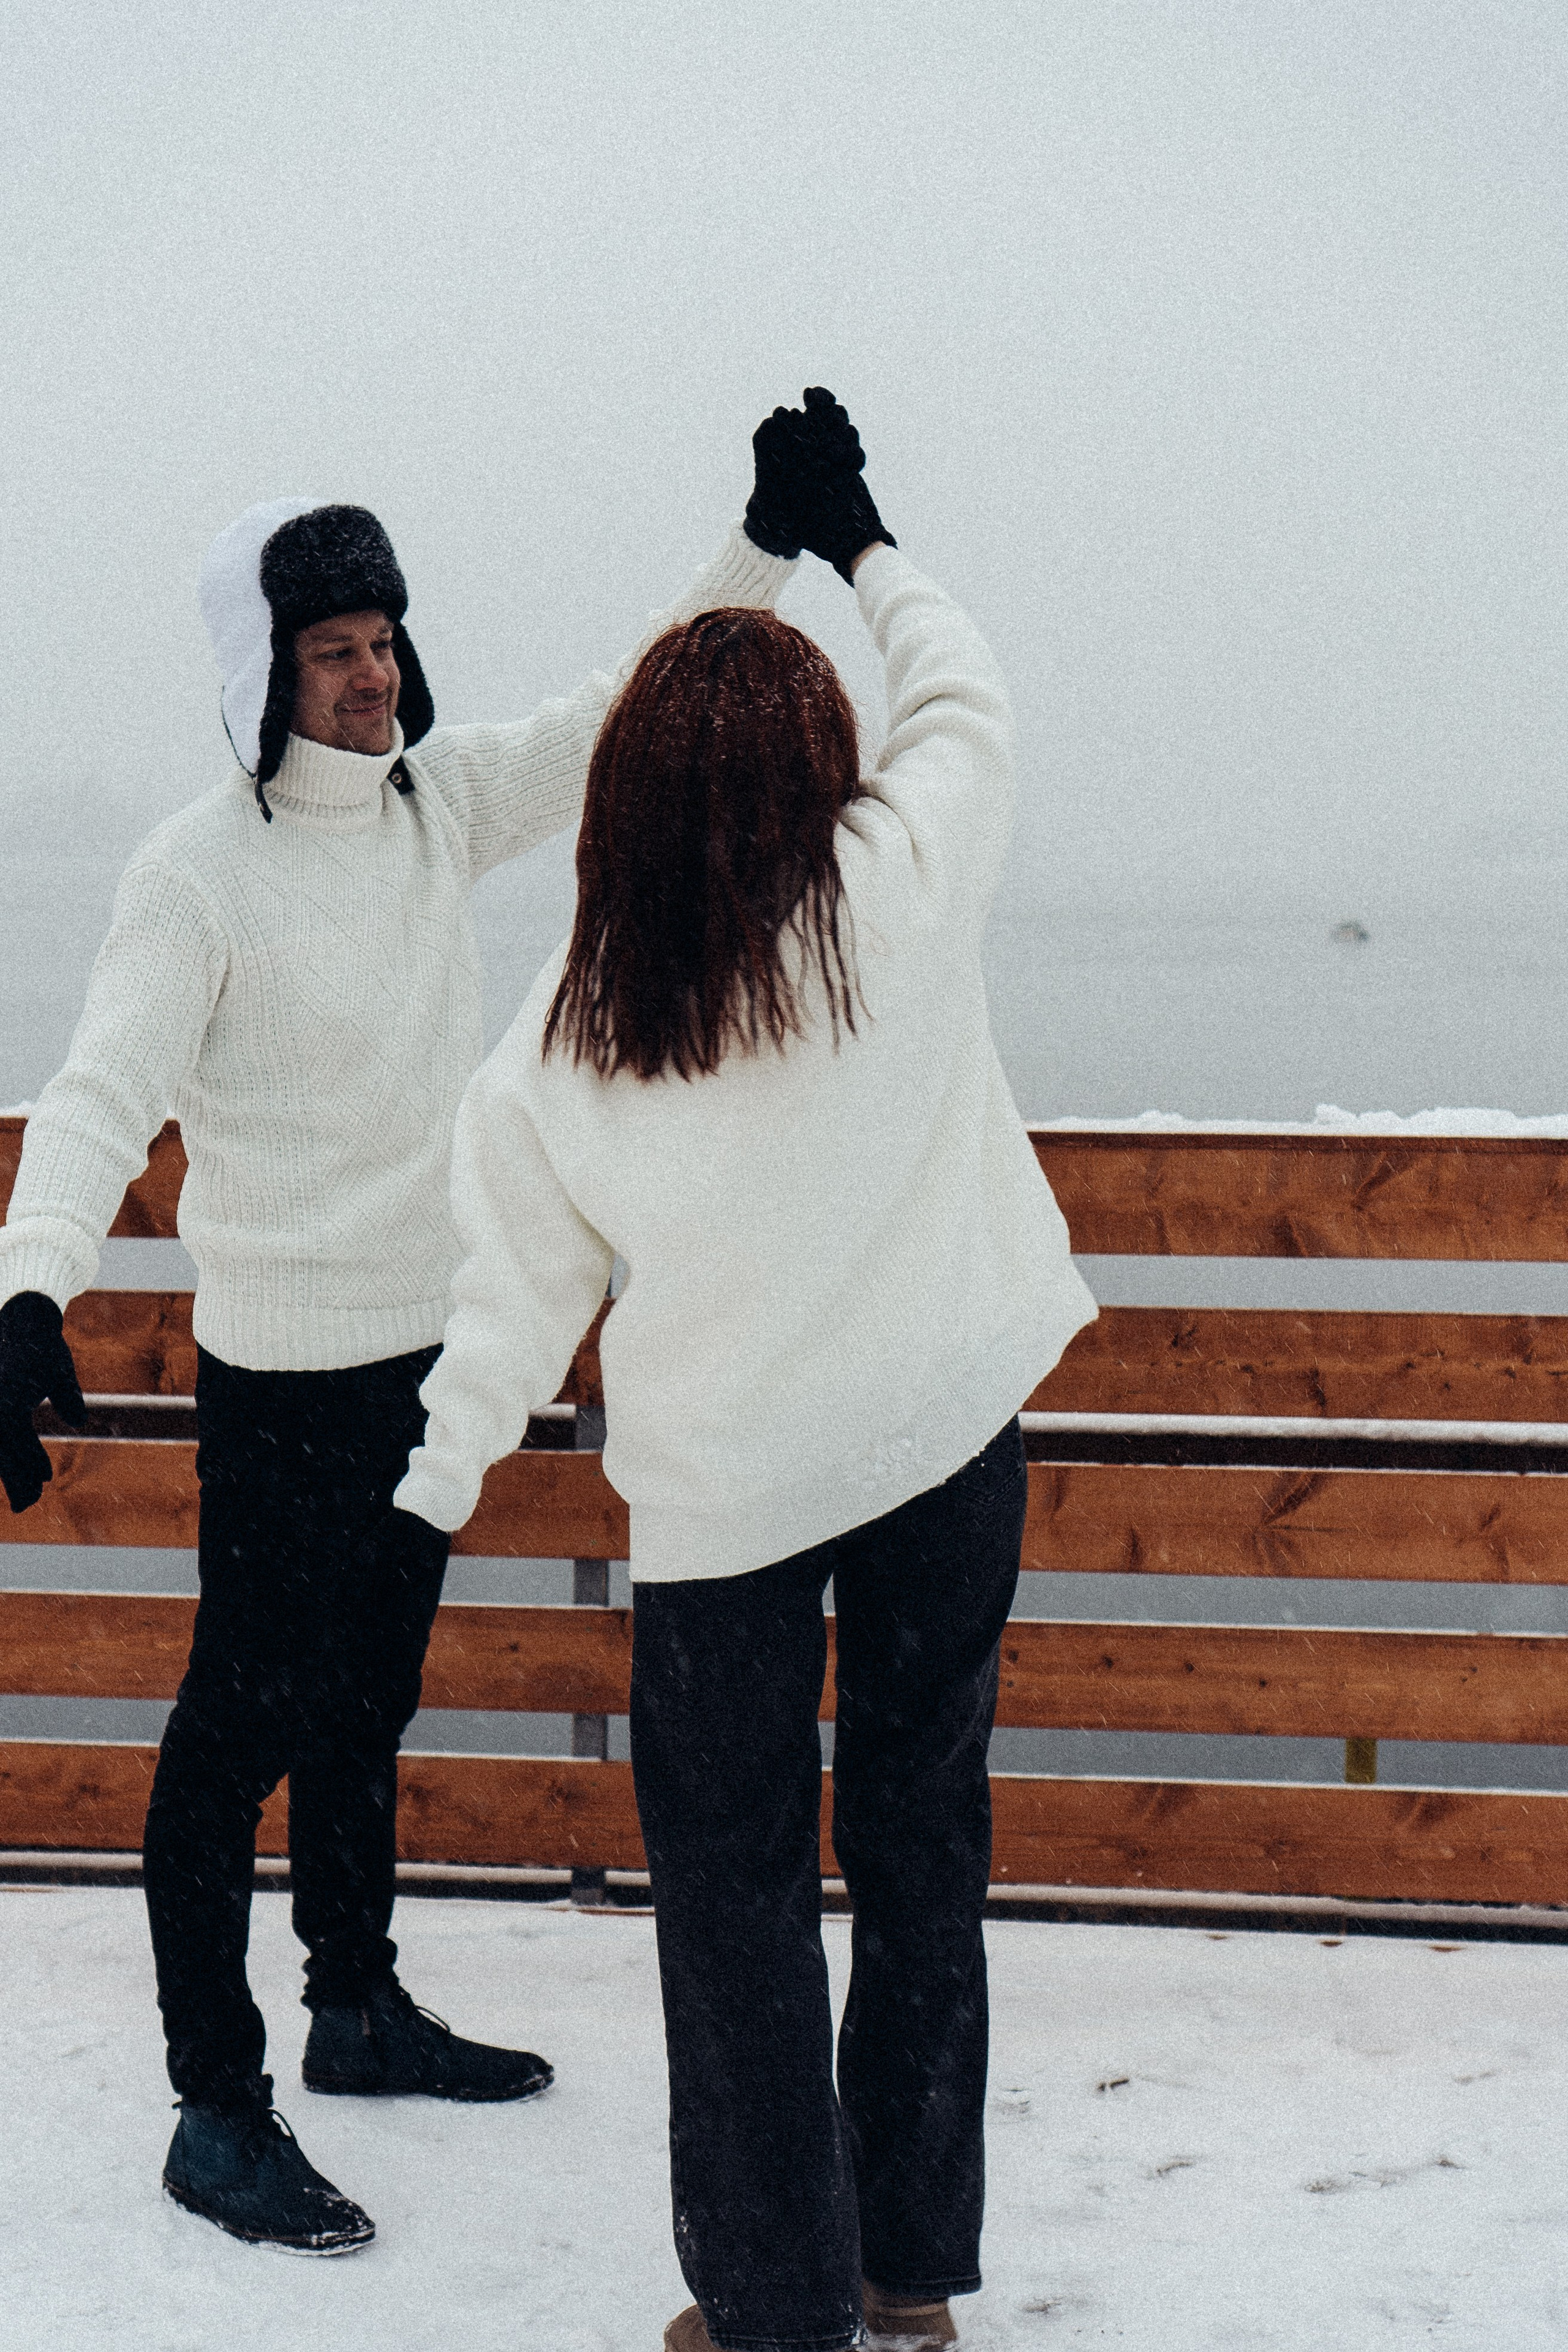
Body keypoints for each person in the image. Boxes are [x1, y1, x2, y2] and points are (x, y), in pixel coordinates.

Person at [0, 486, 797, 2254]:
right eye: (332, 652)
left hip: (431, 1363)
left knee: (368, 1704)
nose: (370, 679)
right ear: (261, 676)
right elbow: (98, 1093)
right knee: (235, 1741)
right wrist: (33, 1286)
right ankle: (217, 2103)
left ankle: (353, 2009)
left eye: (381, 644)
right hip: (281, 1383)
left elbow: (621, 708)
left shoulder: (438, 811)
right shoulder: (193, 876)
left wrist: (758, 542)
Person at [394, 390, 1099, 2351]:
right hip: (949, 1440)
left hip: (723, 1513)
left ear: (624, 798)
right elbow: (969, 697)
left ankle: (777, 2303)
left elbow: (508, 1309)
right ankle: (908, 2275)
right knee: (924, 1837)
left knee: (729, 1900)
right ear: (819, 768)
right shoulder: (899, 892)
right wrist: (860, 546)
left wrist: (426, 1498)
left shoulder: (569, 1032)